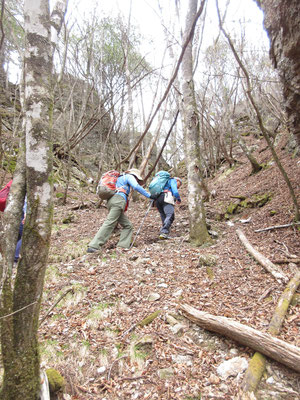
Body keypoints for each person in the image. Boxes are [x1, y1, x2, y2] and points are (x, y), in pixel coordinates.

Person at [87, 169, 157, 253]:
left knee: (128, 226)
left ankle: (122, 246)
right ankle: (94, 245)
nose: (137, 180)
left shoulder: (118, 179)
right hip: (118, 201)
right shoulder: (129, 176)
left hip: (111, 201)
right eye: (137, 179)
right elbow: (136, 186)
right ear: (134, 175)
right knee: (109, 222)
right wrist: (149, 196)